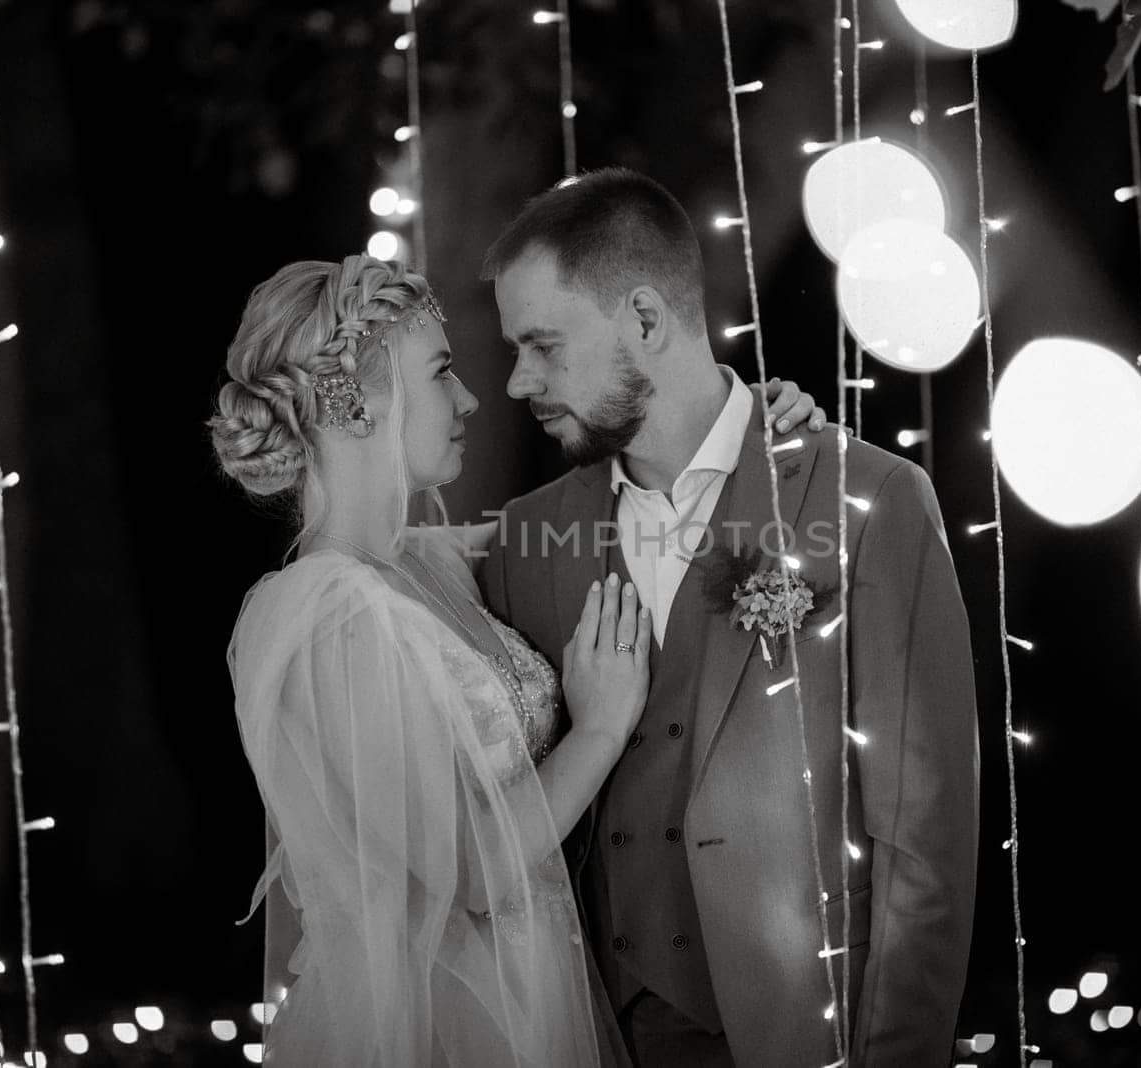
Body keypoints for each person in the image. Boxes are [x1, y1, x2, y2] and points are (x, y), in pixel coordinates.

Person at [210, 254, 825, 1065]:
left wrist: (746, 429)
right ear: (354, 400)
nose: (470, 398)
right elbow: (469, 869)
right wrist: (600, 730)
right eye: (441, 372)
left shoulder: (426, 561)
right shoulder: (329, 619)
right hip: (440, 1020)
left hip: (533, 986)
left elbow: (628, 515)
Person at [477, 168, 980, 1067]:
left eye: (544, 345)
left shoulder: (867, 501)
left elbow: (923, 845)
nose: (519, 381)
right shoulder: (526, 540)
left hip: (798, 1035)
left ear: (643, 318)